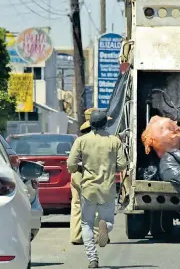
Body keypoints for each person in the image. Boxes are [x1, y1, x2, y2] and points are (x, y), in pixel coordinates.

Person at [67, 110, 127, 268]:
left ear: (90, 124)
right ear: (105, 124)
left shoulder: (81, 141)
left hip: (88, 189)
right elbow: (122, 165)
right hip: (108, 189)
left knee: (86, 223)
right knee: (108, 220)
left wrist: (80, 167)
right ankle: (105, 228)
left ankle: (93, 258)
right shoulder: (115, 141)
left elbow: (71, 164)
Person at [70, 108, 100, 245]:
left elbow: (71, 162)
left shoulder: (80, 139)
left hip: (77, 173)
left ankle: (76, 236)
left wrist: (73, 170)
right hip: (93, 174)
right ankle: (96, 236)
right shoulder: (101, 140)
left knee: (77, 204)